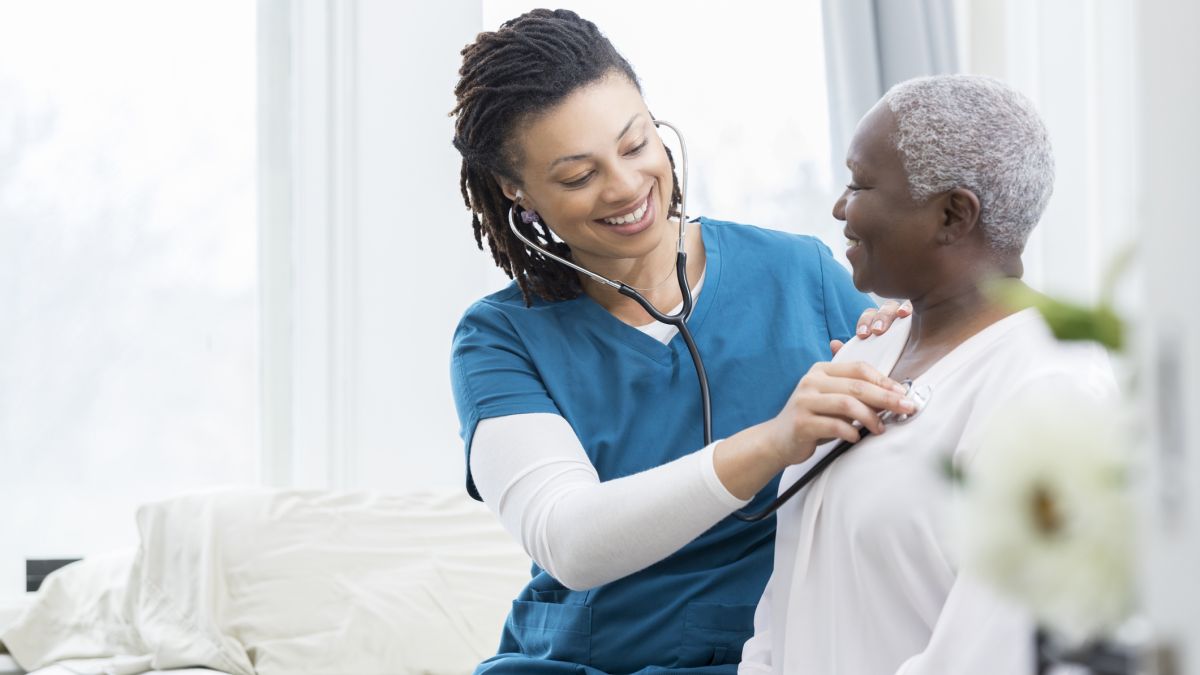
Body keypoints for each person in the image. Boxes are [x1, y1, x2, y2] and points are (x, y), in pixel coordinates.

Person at [449, 9, 910, 673]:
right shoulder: (498, 339)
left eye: (636, 144)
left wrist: (898, 360)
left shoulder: (799, 275)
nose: (627, 186)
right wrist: (776, 440)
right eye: (579, 176)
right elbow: (570, 541)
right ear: (517, 191)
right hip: (581, 662)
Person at [737, 75, 1117, 674]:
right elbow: (789, 596)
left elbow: (989, 657)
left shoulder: (1051, 389)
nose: (839, 207)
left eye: (860, 184)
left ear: (952, 215)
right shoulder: (865, 352)